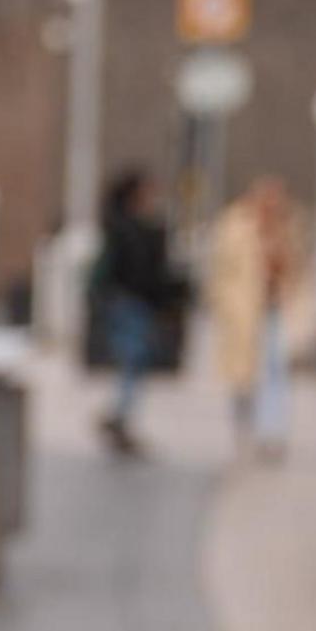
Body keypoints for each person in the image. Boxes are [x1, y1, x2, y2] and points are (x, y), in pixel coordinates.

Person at [89, 169, 187, 456]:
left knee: (133, 360)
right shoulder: (130, 228)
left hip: (132, 302)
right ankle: (120, 414)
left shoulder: (126, 226)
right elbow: (140, 269)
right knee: (133, 357)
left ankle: (121, 414)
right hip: (130, 302)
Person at [202, 175, 300, 461]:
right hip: (242, 310)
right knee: (243, 377)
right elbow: (219, 270)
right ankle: (244, 426)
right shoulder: (234, 225)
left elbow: (295, 268)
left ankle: (271, 432)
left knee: (275, 371)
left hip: (274, 308)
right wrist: (223, 304)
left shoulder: (286, 226)